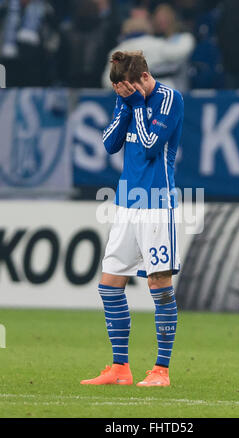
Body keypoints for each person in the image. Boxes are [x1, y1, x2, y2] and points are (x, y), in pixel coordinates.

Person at [81, 50, 184, 387]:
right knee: (109, 286)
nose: (121, 94)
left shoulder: (169, 99)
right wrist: (126, 106)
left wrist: (138, 106)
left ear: (142, 77)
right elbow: (110, 144)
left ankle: (161, 371)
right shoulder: (127, 98)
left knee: (159, 285)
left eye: (125, 89)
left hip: (156, 201)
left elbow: (153, 144)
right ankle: (120, 368)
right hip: (126, 203)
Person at [101, 13, 195, 91]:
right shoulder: (159, 44)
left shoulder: (116, 52)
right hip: (161, 92)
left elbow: (108, 83)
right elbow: (180, 52)